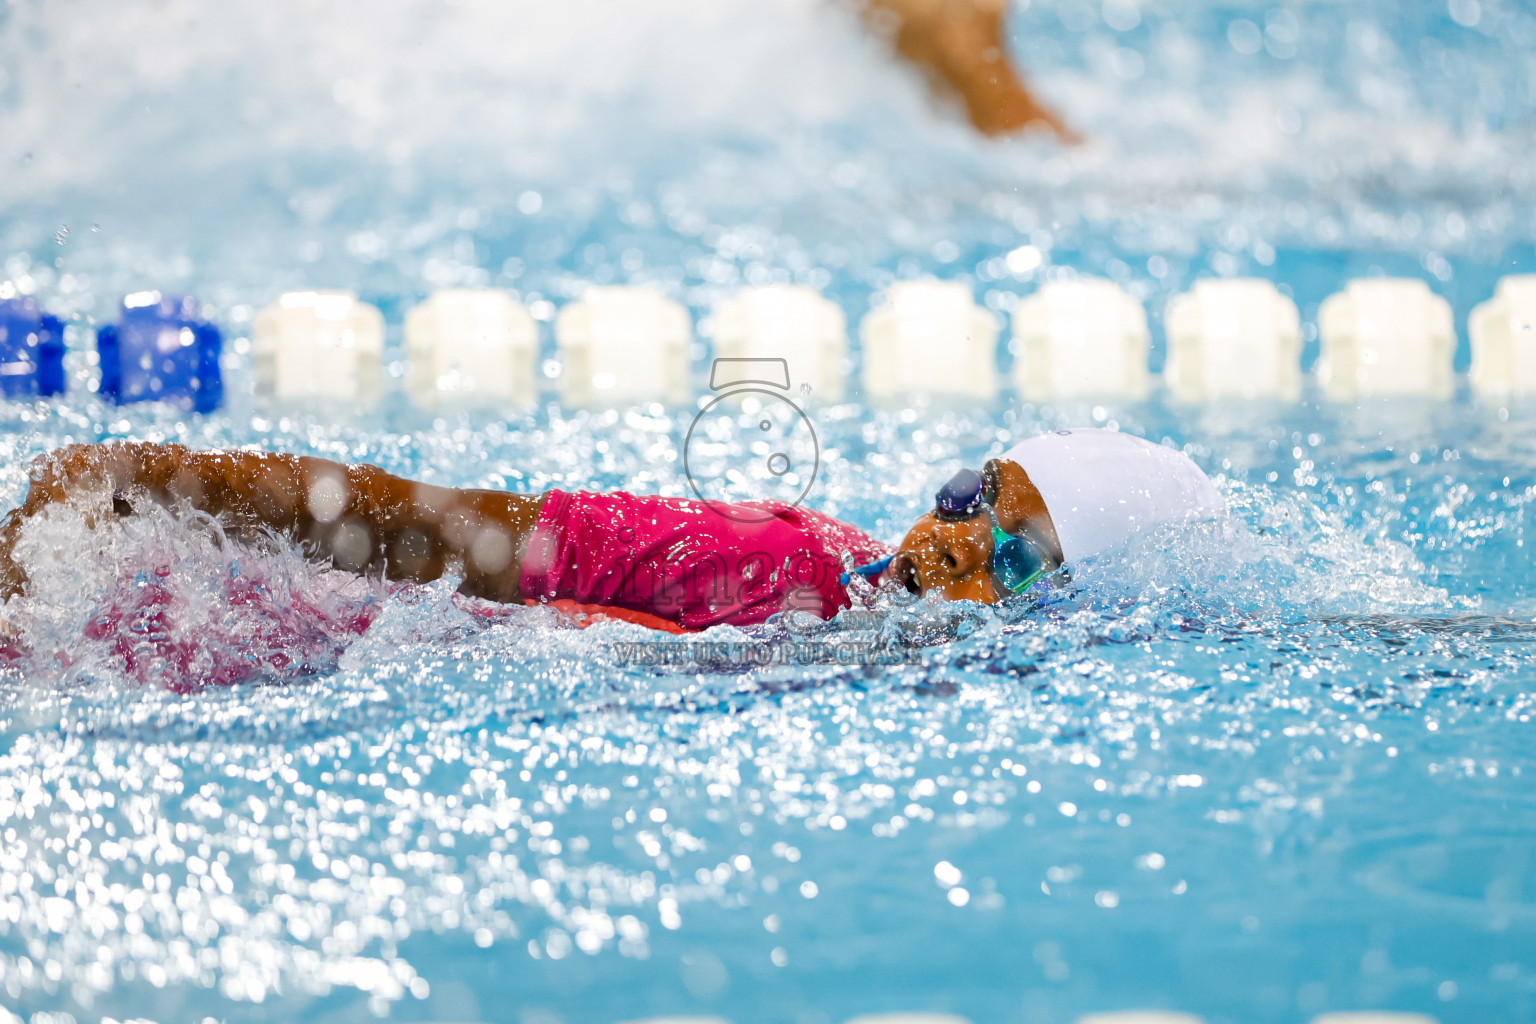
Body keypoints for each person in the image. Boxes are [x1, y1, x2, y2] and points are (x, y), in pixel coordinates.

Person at [0, 429, 1221, 636]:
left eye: (1014, 557)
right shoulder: (785, 565)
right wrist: (153, 478)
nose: (955, 541)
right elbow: (444, 533)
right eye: (972, 495)